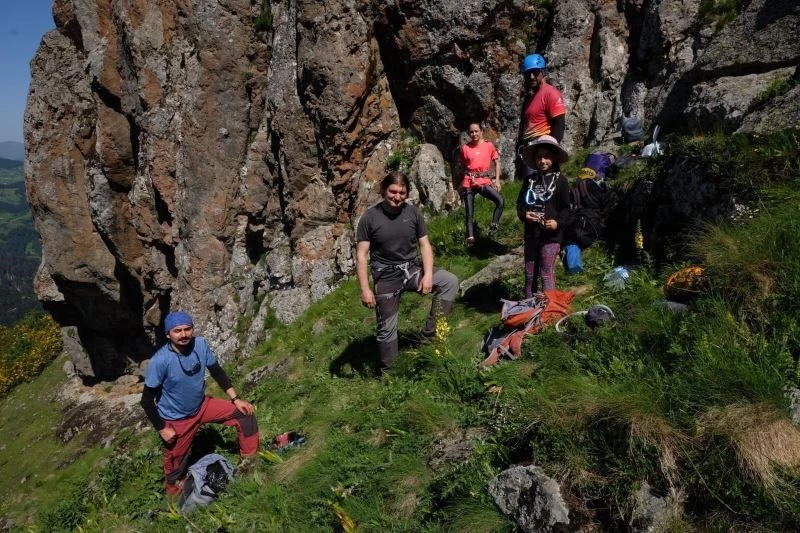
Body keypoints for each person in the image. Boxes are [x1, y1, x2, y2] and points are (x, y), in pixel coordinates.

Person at [141, 311, 259, 496]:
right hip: (177, 419)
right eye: (177, 331)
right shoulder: (160, 361)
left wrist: (236, 399)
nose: (184, 334)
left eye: (187, 329)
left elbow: (216, 371)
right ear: (167, 335)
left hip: (202, 406)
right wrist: (162, 428)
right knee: (175, 464)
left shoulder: (201, 345)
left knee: (245, 414)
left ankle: (250, 462)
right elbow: (146, 400)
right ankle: (174, 498)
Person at [356, 172, 459, 371]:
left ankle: (428, 339)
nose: (397, 197)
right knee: (387, 330)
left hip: (411, 269)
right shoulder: (370, 217)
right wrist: (365, 289)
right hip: (386, 277)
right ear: (384, 191)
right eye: (393, 191)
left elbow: (425, 245)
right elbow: (361, 255)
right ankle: (391, 373)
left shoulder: (412, 213)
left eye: (402, 192)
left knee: (449, 282)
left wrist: (428, 274)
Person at [516, 136, 571, 298]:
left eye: (547, 156)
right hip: (532, 234)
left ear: (554, 158)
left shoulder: (561, 181)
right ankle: (529, 307)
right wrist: (525, 214)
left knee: (546, 273)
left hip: (551, 236)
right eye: (539, 157)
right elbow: (520, 204)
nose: (543, 160)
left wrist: (557, 222)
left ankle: (549, 310)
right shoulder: (529, 181)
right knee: (529, 274)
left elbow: (566, 209)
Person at [458, 122, 504, 244]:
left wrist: (497, 181)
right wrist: (468, 175)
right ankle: (470, 238)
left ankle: (493, 227)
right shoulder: (465, 148)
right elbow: (462, 165)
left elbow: (497, 162)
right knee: (469, 211)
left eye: (476, 131)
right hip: (469, 182)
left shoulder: (488, 146)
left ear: (481, 132)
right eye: (471, 132)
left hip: (484, 181)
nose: (474, 134)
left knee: (500, 201)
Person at [520, 53, 567, 143]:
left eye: (535, 72)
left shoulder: (550, 93)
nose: (531, 77)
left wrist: (551, 148)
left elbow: (559, 124)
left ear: (543, 72)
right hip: (530, 145)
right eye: (528, 74)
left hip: (541, 143)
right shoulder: (532, 97)